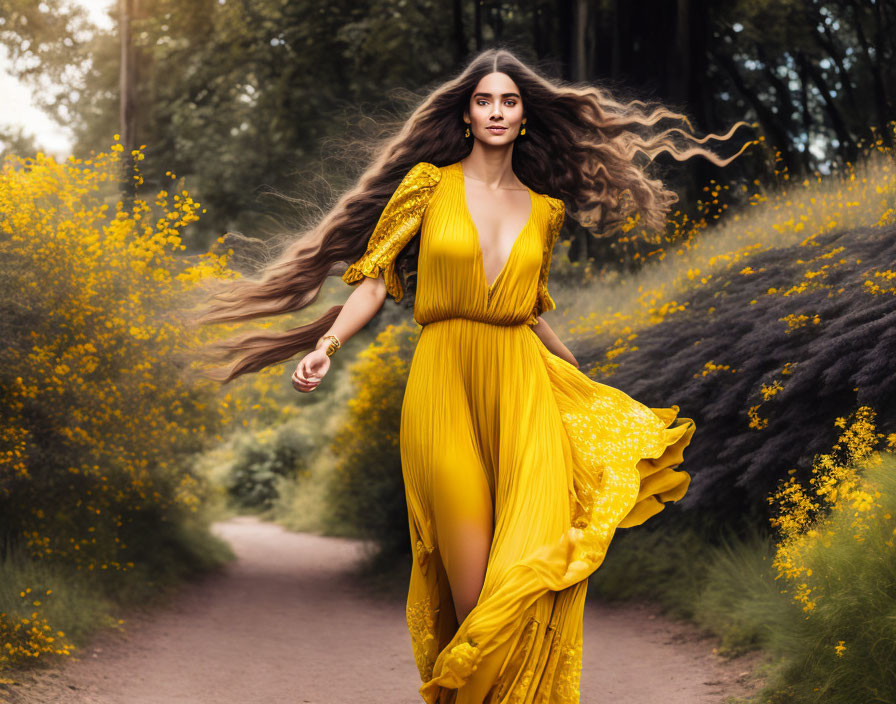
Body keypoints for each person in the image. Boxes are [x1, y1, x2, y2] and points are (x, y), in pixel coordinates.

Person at [194, 48, 749, 704]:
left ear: (524, 118)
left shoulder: (545, 211)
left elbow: (531, 308)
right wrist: (328, 342)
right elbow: (374, 281)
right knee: (474, 589)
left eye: (509, 101)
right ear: (465, 115)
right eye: (484, 100)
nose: (496, 110)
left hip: (524, 387)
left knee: (528, 566)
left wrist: (579, 382)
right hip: (443, 386)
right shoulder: (428, 185)